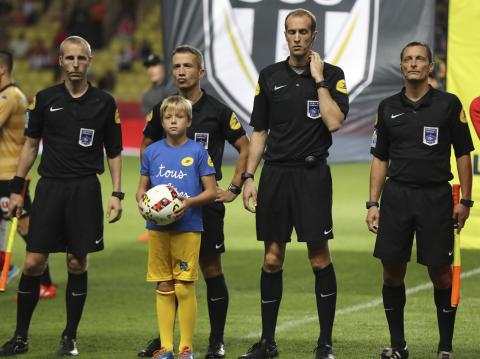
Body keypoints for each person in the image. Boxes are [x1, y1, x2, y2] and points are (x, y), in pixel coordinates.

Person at [0, 36, 123, 357]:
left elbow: (114, 151)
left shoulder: (105, 103)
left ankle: (69, 336)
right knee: (32, 262)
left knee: (76, 262)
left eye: (81, 59)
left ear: (90, 61)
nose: (75, 65)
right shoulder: (43, 100)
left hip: (85, 189)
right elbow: (29, 147)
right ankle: (21, 337)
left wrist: (118, 193)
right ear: (60, 61)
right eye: (69, 59)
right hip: (50, 188)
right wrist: (16, 188)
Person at [239, 8, 349, 359]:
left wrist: (318, 80)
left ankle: (325, 344)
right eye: (291, 32)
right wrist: (248, 177)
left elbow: (333, 122)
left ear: (314, 36)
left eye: (304, 32)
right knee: (272, 259)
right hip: (275, 175)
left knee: (319, 258)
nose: (297, 37)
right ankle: (268, 342)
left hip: (312, 175)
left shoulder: (333, 75)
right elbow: (259, 132)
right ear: (285, 35)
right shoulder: (269, 75)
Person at [138, 45, 249, 359]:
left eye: (188, 66)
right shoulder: (164, 108)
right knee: (169, 276)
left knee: (210, 268)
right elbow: (146, 143)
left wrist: (235, 187)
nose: (181, 71)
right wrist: (150, 192)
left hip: (204, 206)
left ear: (201, 72)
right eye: (176, 66)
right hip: (166, 212)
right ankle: (165, 342)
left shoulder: (217, 110)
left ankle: (216, 340)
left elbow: (245, 145)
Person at [366, 42, 474, 359]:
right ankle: (399, 347)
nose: (413, 64)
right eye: (408, 59)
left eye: (420, 59)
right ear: (401, 66)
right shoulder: (386, 107)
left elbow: (464, 155)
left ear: (430, 67)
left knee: (440, 273)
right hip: (397, 196)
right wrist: (373, 203)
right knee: (391, 273)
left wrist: (465, 201)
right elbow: (379, 159)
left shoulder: (449, 105)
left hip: (436, 197)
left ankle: (445, 349)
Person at [137, 95, 217, 359]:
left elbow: (211, 191)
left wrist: (188, 202)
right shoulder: (152, 152)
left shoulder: (197, 151)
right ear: (162, 121)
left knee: (184, 285)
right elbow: (142, 189)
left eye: (179, 116)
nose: (173, 121)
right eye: (168, 117)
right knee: (163, 284)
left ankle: (186, 348)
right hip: (158, 229)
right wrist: (143, 203)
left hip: (189, 226)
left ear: (189, 121)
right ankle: (166, 348)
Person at [0, 49, 56, 298]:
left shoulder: (10, 96)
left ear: (2, 69)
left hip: (9, 174)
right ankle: (7, 267)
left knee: (25, 228)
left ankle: (45, 281)